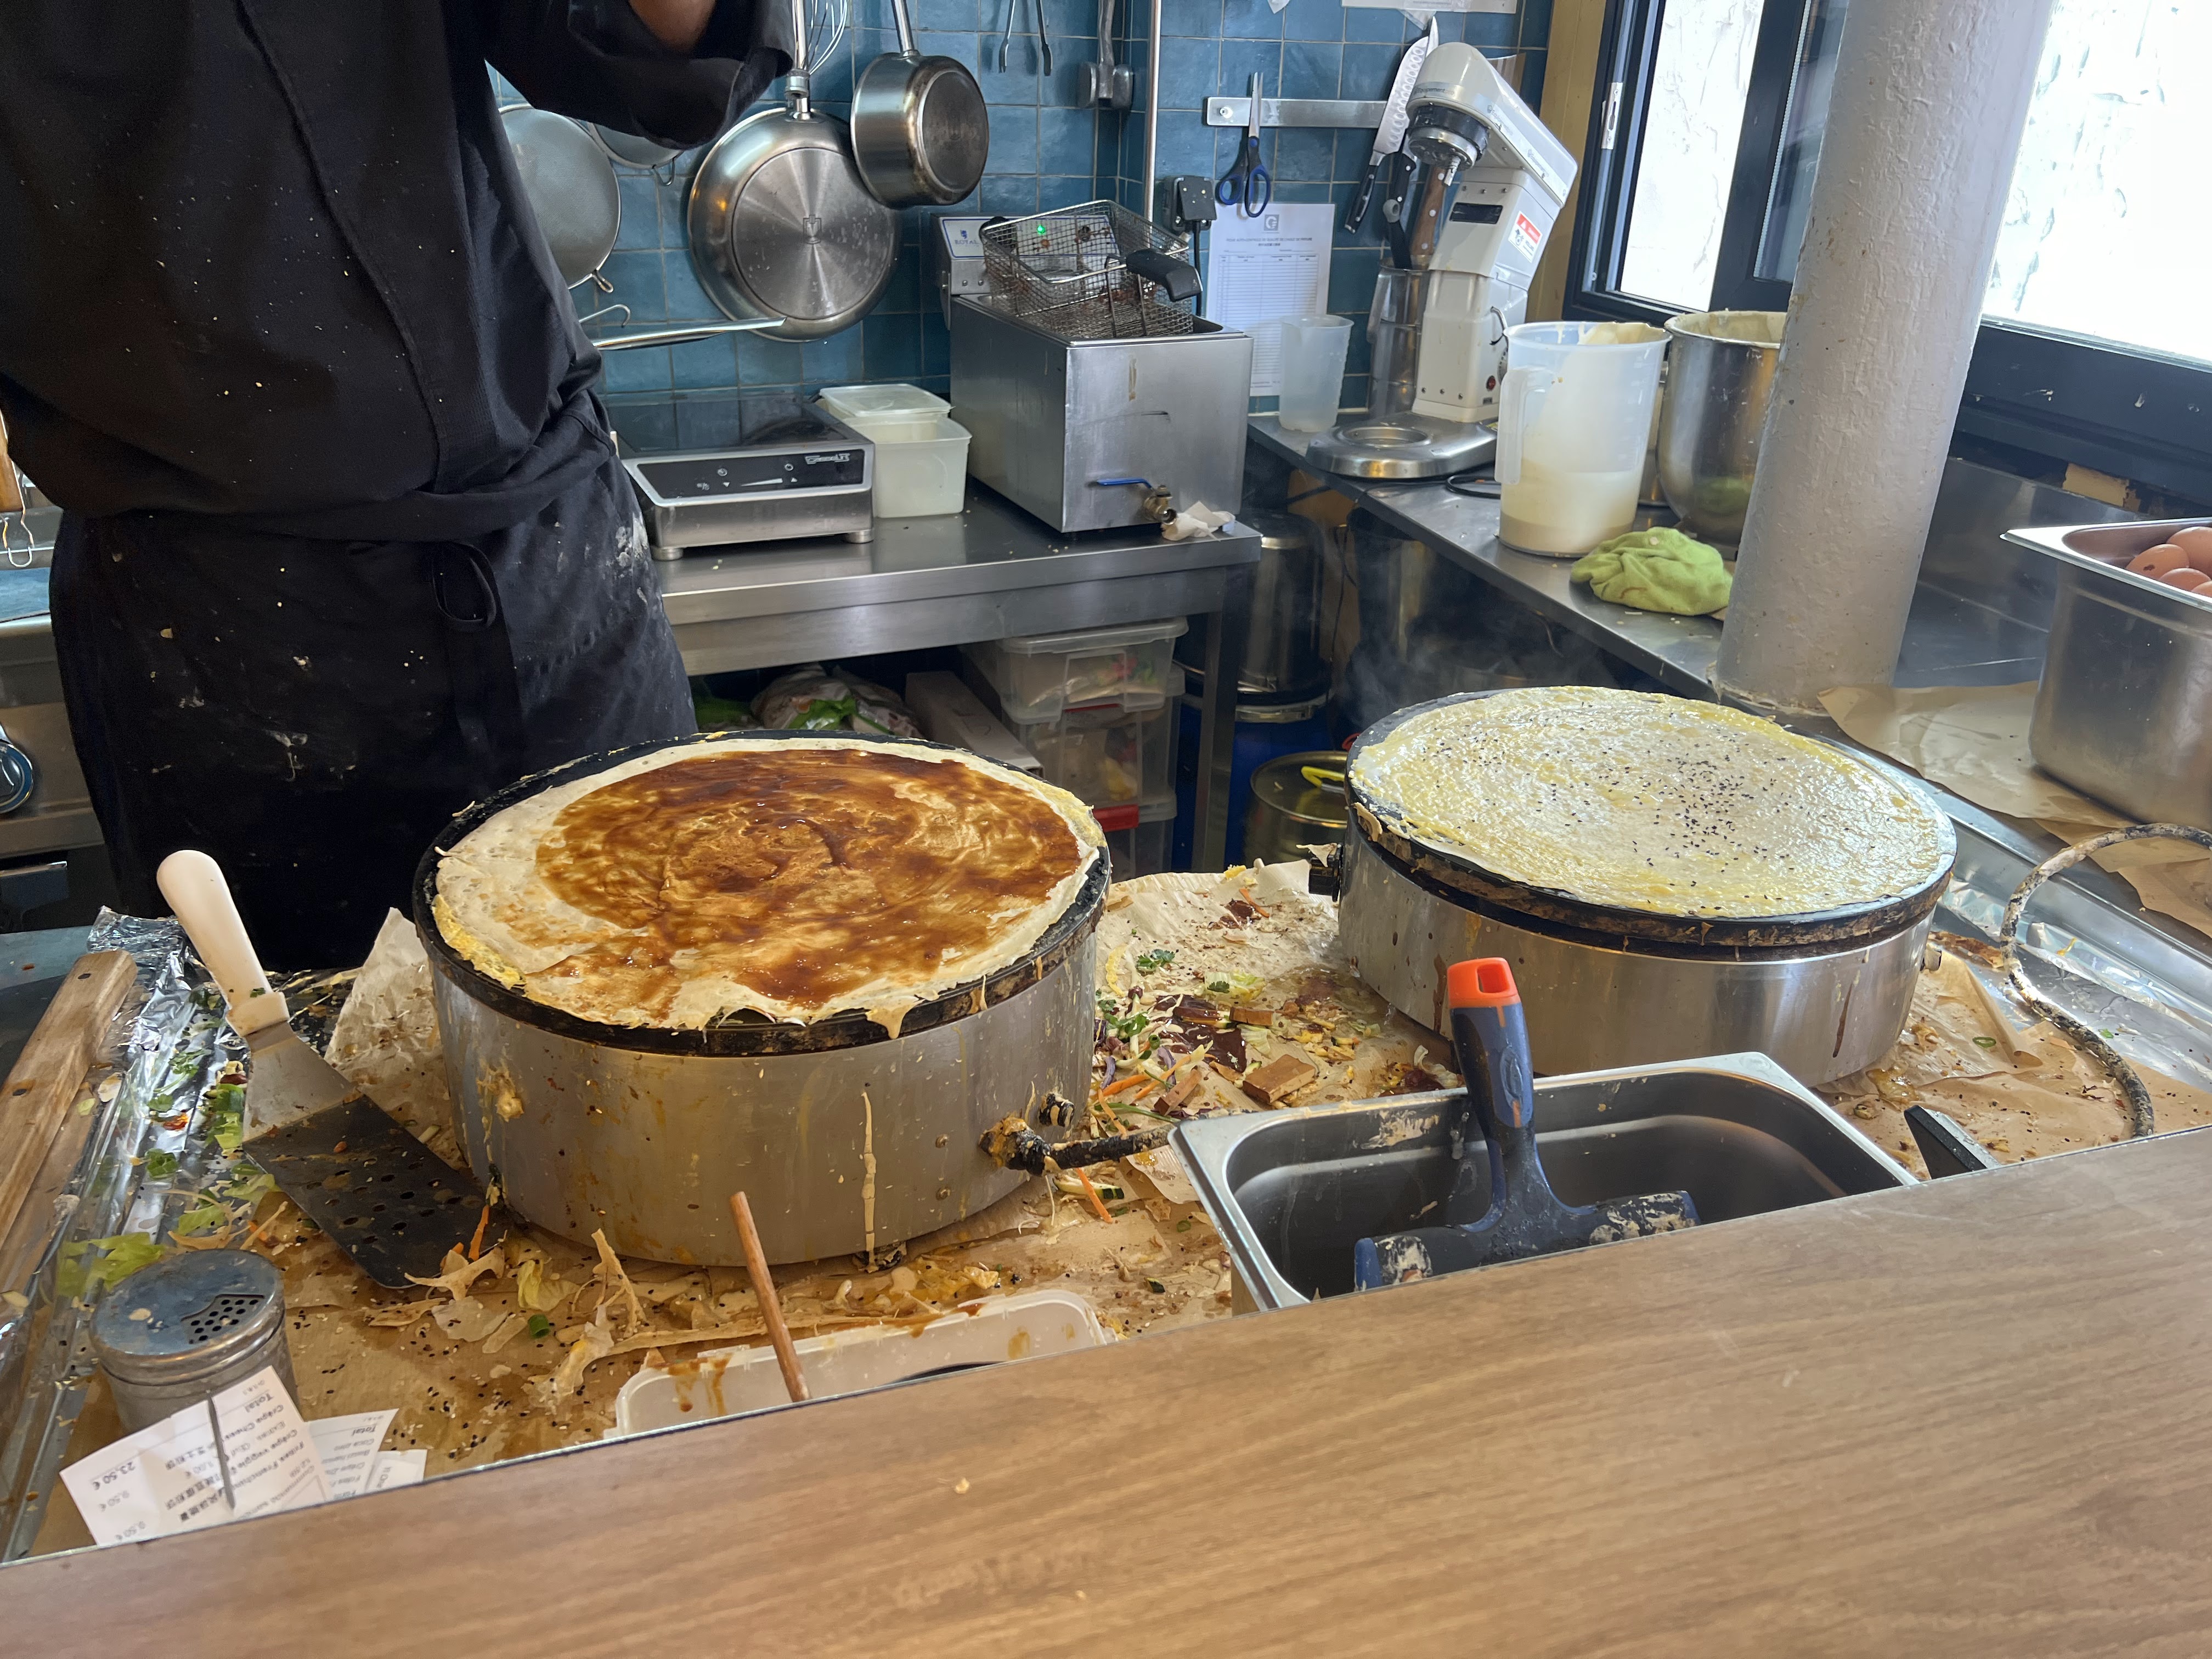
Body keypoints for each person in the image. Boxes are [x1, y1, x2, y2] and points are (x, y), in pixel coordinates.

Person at [0, 1, 790, 966]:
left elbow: (653, 65)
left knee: (674, 995)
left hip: (555, 561)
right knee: (294, 1044)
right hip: (220, 628)